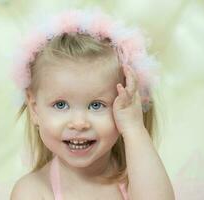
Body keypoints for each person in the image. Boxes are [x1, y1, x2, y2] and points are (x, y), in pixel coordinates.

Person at [10, 8, 175, 200]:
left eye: (96, 105)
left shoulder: (137, 180)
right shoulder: (33, 191)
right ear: (34, 108)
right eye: (61, 105)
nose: (79, 123)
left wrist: (133, 127)